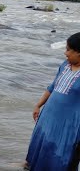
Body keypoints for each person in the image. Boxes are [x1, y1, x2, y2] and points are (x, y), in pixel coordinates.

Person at [25, 32, 80, 170]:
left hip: (68, 124)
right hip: (48, 116)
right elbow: (52, 87)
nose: (65, 53)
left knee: (61, 153)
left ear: (79, 52)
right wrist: (38, 105)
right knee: (40, 146)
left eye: (68, 50)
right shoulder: (65, 65)